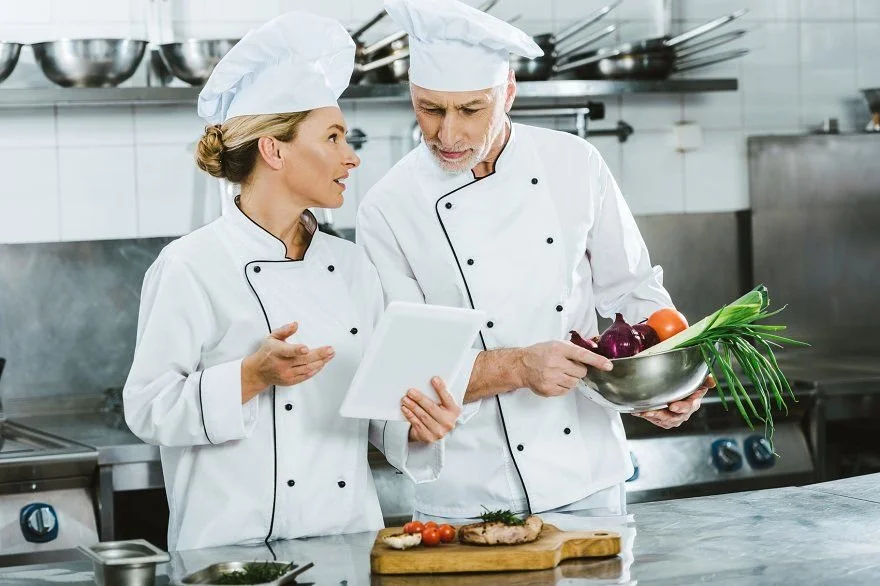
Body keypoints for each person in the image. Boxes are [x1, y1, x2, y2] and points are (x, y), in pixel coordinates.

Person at [356, 0, 714, 523]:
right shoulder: (388, 208)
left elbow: (634, 293)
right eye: (429, 109)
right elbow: (400, 373)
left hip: (588, 481)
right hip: (465, 498)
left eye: (471, 109)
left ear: (509, 94)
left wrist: (665, 385)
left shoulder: (575, 165)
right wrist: (519, 367)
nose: (447, 135)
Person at [123, 11, 459, 551]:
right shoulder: (191, 265)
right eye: (332, 137)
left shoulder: (351, 266)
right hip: (230, 552)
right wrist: (251, 377)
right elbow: (147, 409)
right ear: (274, 150)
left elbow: (375, 408)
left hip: (347, 539)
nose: (351, 158)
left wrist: (417, 427)